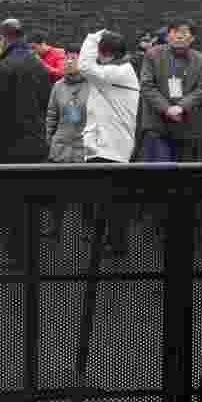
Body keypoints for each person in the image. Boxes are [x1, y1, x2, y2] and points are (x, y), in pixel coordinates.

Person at [0, 19, 50, 270]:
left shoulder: (3, 67)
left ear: (2, 37)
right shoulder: (38, 64)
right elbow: (44, 102)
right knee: (32, 202)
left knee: (12, 203)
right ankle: (32, 253)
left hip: (9, 146)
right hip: (35, 143)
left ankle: (15, 255)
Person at [78, 29, 140, 254]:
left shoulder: (118, 72)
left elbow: (84, 67)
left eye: (100, 51)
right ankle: (112, 242)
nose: (97, 55)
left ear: (107, 53)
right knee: (109, 200)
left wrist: (92, 37)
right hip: (106, 144)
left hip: (111, 146)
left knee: (111, 200)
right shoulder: (117, 71)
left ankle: (115, 245)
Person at [138, 19, 202, 163]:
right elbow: (147, 85)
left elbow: (201, 88)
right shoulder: (153, 54)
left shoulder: (200, 59)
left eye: (184, 32)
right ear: (167, 36)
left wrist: (181, 107)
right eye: (175, 32)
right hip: (157, 125)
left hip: (186, 125)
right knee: (159, 169)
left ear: (192, 38)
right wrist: (167, 109)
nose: (179, 36)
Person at [42, 43, 92, 237]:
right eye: (67, 58)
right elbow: (51, 114)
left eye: (74, 57)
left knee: (87, 193)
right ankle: (54, 227)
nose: (69, 61)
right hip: (61, 145)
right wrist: (50, 137)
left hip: (84, 145)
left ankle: (87, 229)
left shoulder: (92, 84)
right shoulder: (58, 86)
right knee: (57, 190)